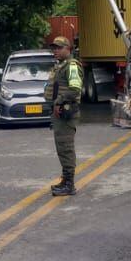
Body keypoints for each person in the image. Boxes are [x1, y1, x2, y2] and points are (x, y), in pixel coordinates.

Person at [44, 36, 84, 196]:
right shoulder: (61, 65)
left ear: (68, 49)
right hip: (59, 113)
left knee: (66, 148)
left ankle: (69, 184)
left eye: (59, 48)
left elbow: (75, 89)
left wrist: (58, 102)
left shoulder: (71, 66)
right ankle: (65, 180)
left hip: (65, 112)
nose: (55, 50)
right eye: (54, 48)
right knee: (61, 147)